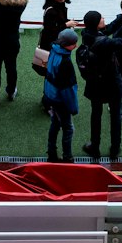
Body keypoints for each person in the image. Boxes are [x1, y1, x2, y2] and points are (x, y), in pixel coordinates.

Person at [79, 11, 122, 162]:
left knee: (96, 115)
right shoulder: (106, 43)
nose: (104, 19)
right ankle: (115, 148)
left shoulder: (87, 34)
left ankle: (95, 146)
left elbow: (109, 28)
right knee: (115, 116)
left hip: (95, 83)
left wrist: (119, 17)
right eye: (102, 19)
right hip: (112, 83)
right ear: (97, 23)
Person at [43, 28, 81, 163]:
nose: (76, 46)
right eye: (73, 43)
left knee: (55, 123)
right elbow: (68, 90)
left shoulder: (54, 50)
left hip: (51, 95)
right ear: (66, 45)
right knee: (68, 128)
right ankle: (67, 157)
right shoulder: (66, 63)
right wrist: (73, 108)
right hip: (60, 100)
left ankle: (51, 152)